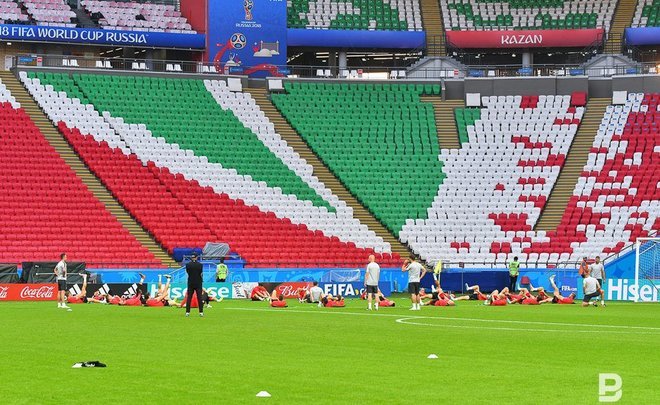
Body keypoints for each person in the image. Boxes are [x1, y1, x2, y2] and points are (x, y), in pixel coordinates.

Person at [185, 253, 204, 317]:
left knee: (189, 297)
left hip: (190, 282)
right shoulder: (200, 265)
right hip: (198, 282)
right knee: (199, 297)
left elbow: (188, 272)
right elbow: (200, 273)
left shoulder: (188, 265)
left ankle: (187, 312)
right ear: (196, 257)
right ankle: (201, 312)